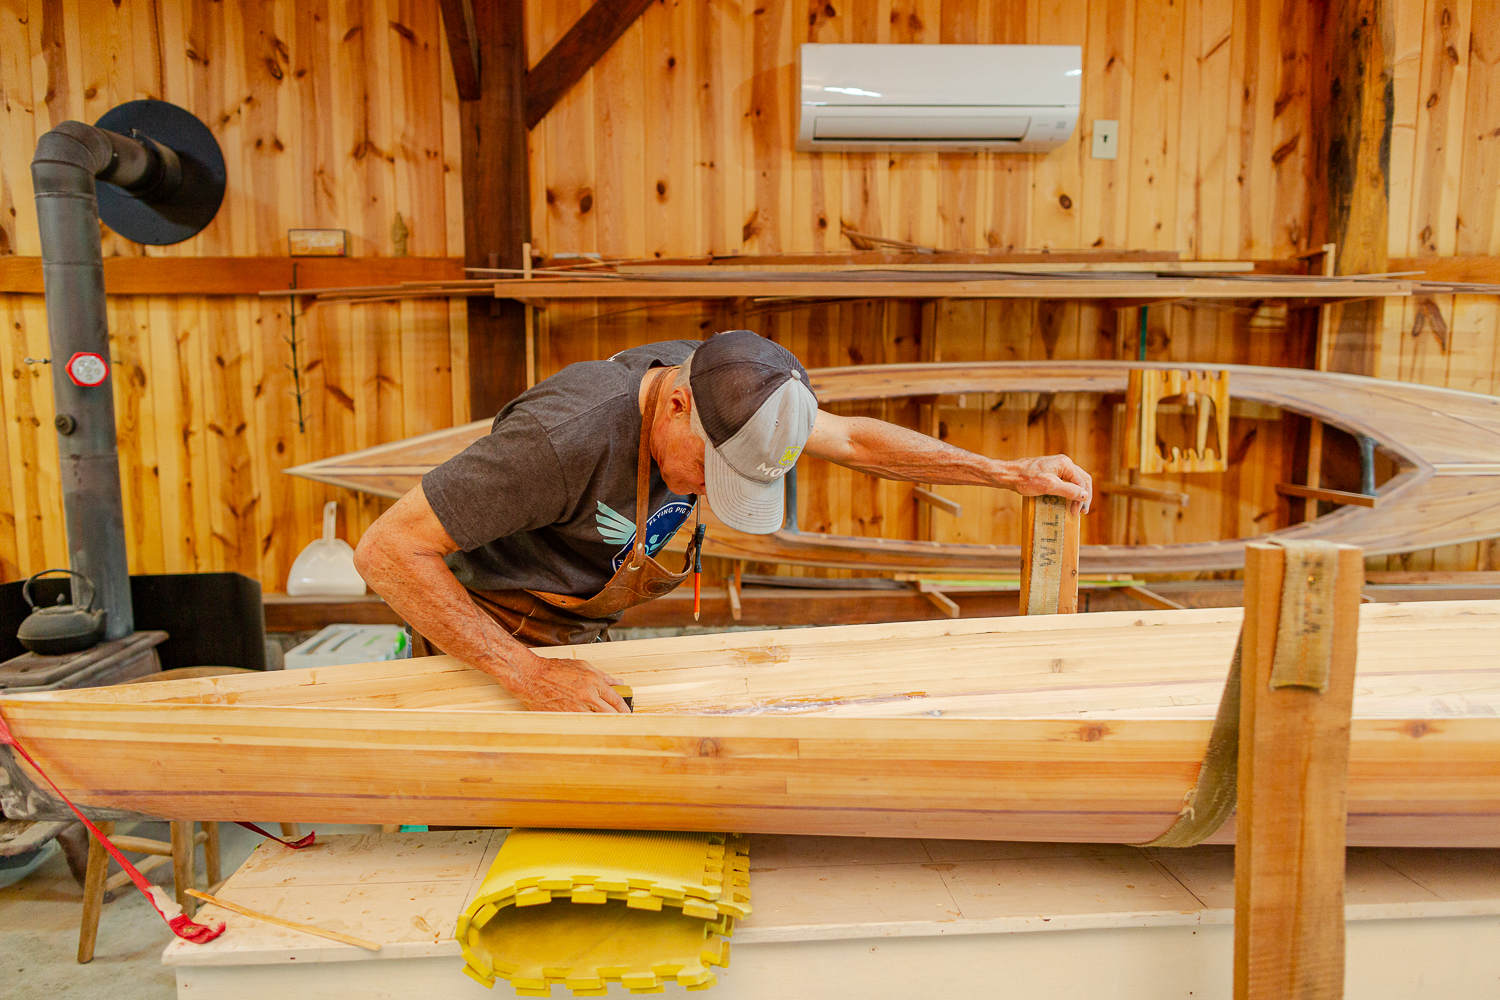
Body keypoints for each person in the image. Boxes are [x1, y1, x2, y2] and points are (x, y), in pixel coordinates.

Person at [354, 330, 1092, 713]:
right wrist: (526, 673)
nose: (708, 491)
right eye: (710, 470)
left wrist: (1006, 473)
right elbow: (387, 551)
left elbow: (856, 439)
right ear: (674, 405)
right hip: (483, 639)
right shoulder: (556, 442)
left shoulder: (740, 390)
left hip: (576, 631)